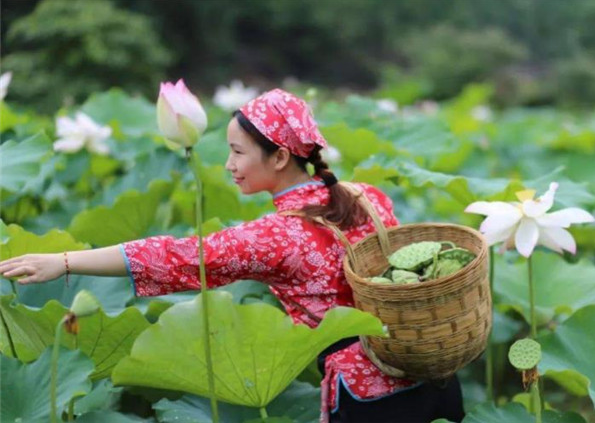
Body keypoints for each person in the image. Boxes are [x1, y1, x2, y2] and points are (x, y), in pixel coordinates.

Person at [0, 89, 465, 423]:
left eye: (237, 151)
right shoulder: (369, 196)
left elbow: (178, 257)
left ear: (280, 157)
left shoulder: (278, 236)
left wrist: (63, 262)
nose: (228, 165)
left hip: (368, 398)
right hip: (430, 369)